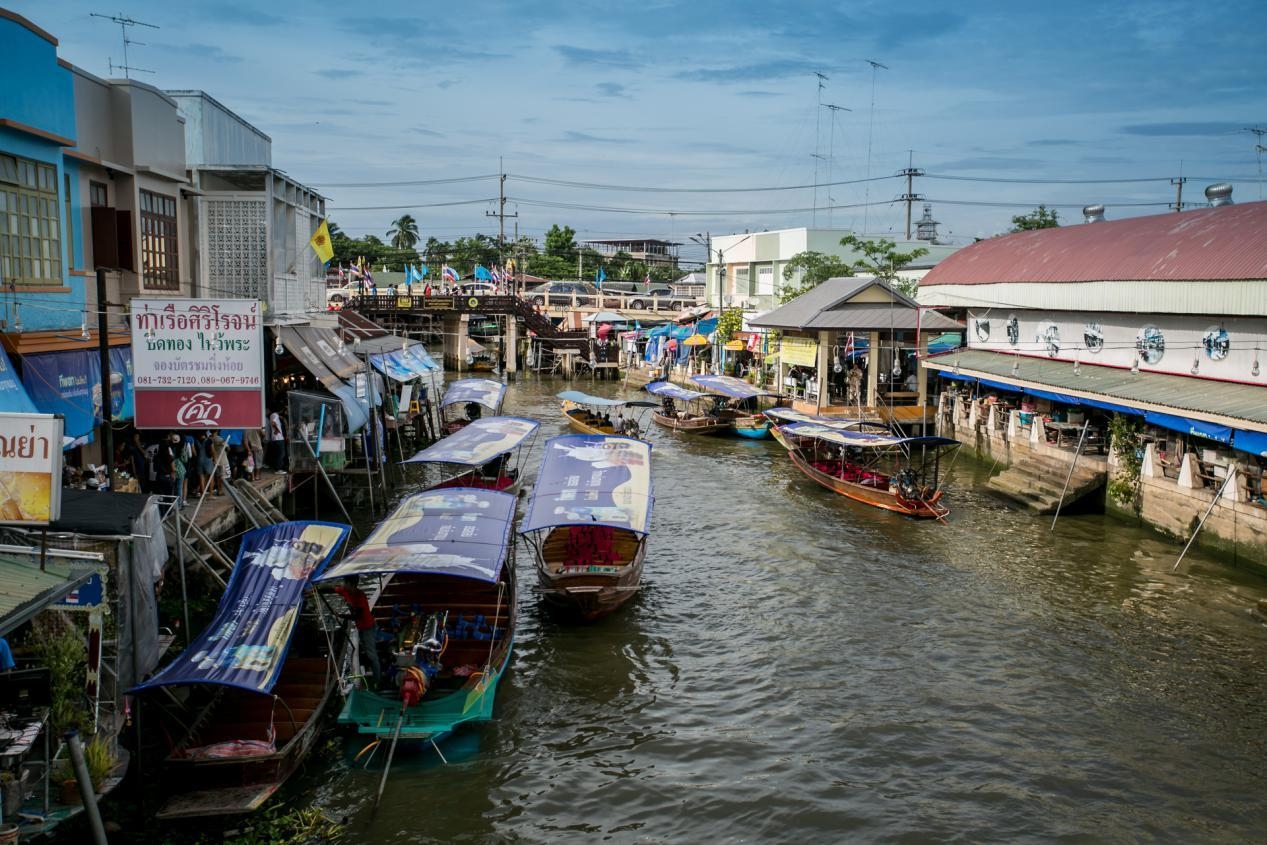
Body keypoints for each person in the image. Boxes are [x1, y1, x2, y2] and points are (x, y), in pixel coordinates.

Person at [334, 576, 380, 686]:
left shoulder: (360, 597)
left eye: (344, 582)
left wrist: (340, 615)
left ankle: (378, 681)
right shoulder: (345, 590)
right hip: (361, 627)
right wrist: (313, 590)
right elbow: (332, 588)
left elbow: (356, 616)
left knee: (372, 656)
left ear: (350, 584)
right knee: (367, 653)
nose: (342, 584)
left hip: (368, 628)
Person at [268, 407, 288, 473]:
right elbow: (273, 423)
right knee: (281, 454)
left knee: (278, 454)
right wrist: (277, 430)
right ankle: (278, 469)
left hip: (276, 438)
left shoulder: (273, 415)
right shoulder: (275, 415)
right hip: (278, 438)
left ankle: (277, 468)